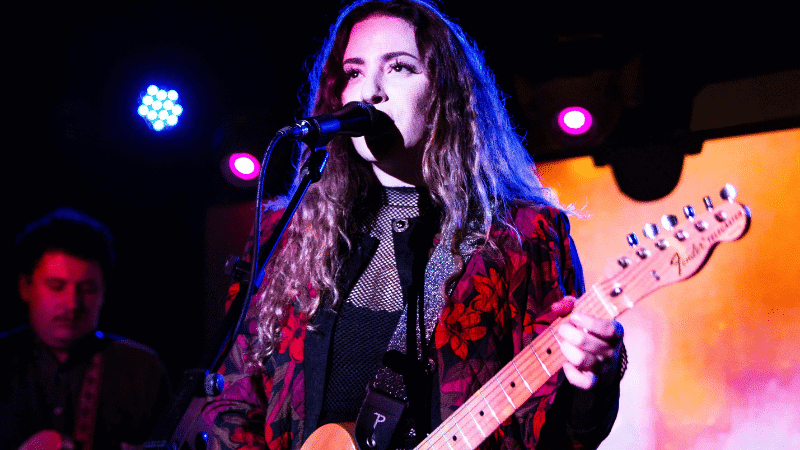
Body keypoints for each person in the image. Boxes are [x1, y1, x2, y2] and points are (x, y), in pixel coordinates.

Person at [203, 1, 626, 449]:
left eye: (400, 67)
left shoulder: (520, 234)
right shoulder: (287, 234)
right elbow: (235, 403)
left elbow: (557, 435)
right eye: (354, 72)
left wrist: (594, 378)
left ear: (447, 93)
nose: (370, 92)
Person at [0, 208, 171, 450]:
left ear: (104, 291)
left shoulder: (142, 369)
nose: (72, 304)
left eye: (87, 289)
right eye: (56, 286)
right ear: (25, 287)